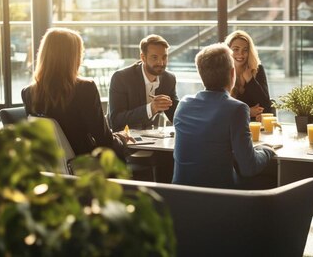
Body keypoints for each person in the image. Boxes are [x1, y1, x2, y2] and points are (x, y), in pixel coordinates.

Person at [172, 43, 277, 190]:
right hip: (221, 199)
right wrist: (267, 149)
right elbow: (249, 167)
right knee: (274, 180)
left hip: (181, 197)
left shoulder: (183, 105)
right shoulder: (237, 109)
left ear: (201, 74)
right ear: (233, 73)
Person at [21, 27, 134, 158]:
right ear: (74, 57)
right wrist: (121, 139)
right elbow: (103, 140)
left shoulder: (28, 93)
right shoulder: (85, 88)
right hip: (85, 165)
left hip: (52, 168)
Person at [108, 34, 179, 131]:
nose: (161, 63)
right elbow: (115, 120)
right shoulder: (121, 78)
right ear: (143, 57)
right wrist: (151, 109)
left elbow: (176, 116)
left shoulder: (169, 79)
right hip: (126, 141)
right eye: (154, 57)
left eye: (164, 57)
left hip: (155, 139)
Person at [224, 30, 272, 121]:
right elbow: (221, 110)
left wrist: (250, 80)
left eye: (245, 50)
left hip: (255, 125)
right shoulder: (223, 72)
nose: (241, 54)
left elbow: (266, 106)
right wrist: (248, 111)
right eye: (236, 49)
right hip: (231, 126)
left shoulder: (257, 69)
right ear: (228, 50)